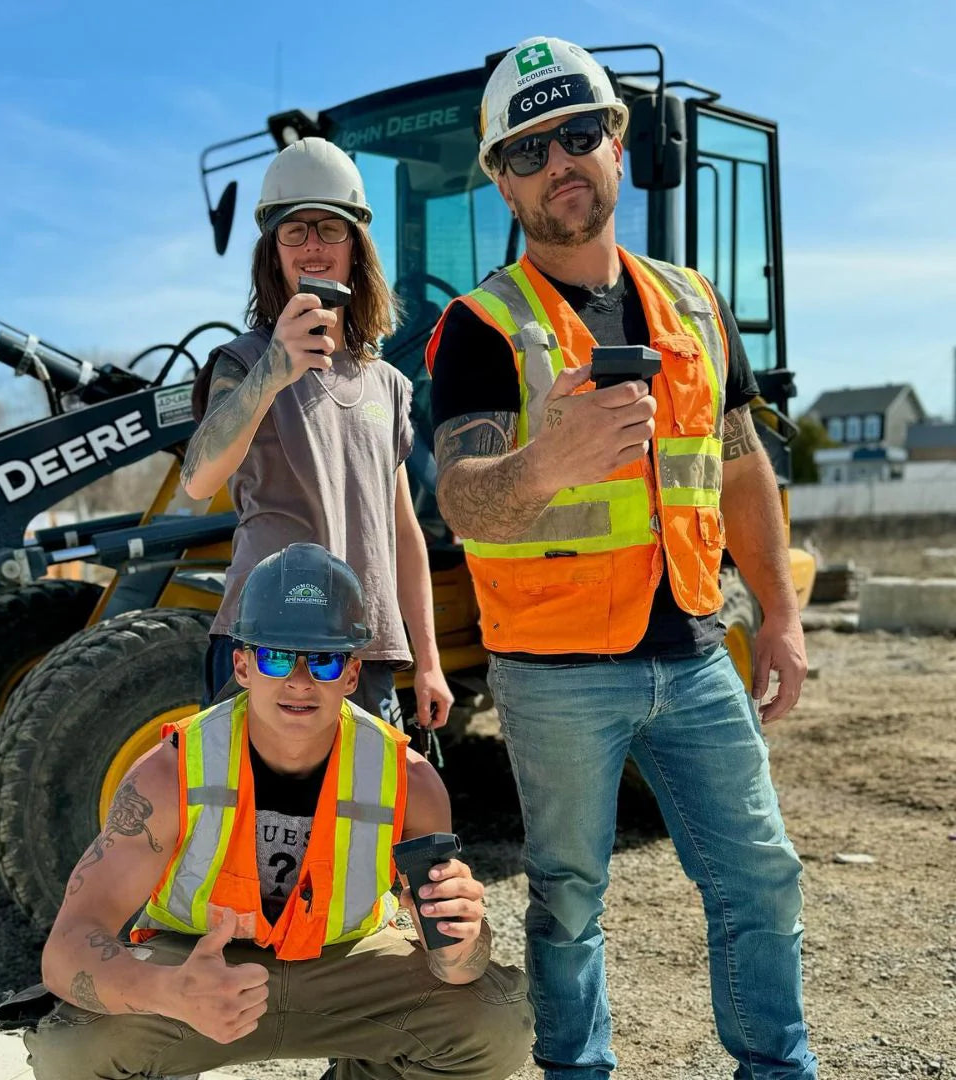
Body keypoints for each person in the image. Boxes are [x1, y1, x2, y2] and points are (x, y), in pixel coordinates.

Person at [426, 36, 816, 1080]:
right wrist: (544, 462)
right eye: (528, 149)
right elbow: (461, 496)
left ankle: (778, 1068)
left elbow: (740, 467)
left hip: (694, 652)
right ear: (502, 182)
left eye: (576, 134)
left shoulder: (694, 305)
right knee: (567, 897)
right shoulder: (482, 329)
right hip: (555, 672)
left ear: (616, 140)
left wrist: (780, 615)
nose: (558, 161)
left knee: (761, 876)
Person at [20, 543, 533, 1080]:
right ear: (242, 665)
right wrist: (169, 991)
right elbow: (67, 948)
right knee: (72, 1048)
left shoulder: (410, 780)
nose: (299, 680)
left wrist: (464, 944)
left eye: (324, 660)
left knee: (492, 1023)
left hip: (347, 965)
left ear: (352, 674)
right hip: (197, 964)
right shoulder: (169, 774)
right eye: (276, 657)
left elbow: (456, 969)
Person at [182, 136, 452, 732]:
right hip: (265, 650)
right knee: (244, 797)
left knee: (367, 797)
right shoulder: (243, 361)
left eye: (330, 228)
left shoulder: (388, 384)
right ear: (272, 251)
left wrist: (429, 661)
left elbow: (402, 530)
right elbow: (199, 479)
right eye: (294, 230)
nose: (312, 245)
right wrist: (274, 371)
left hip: (363, 652)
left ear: (356, 246)